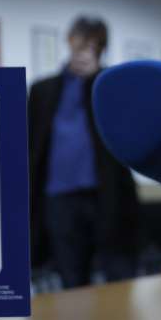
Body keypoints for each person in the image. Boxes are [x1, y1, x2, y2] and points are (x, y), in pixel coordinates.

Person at [28, 16, 139, 288]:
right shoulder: (43, 90)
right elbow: (31, 145)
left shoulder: (111, 87)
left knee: (116, 274)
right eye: (81, 44)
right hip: (58, 197)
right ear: (69, 42)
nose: (86, 52)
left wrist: (94, 80)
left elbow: (124, 133)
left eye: (94, 46)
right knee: (71, 277)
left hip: (105, 196)